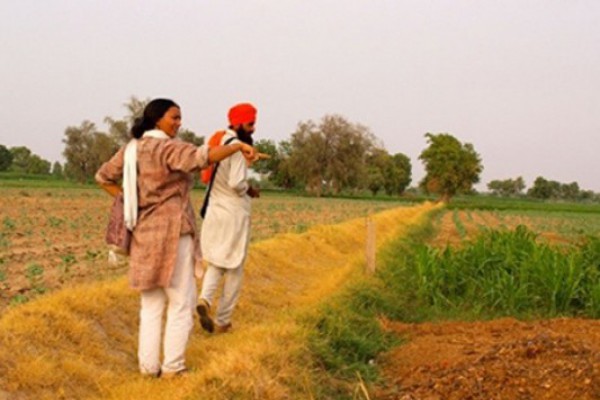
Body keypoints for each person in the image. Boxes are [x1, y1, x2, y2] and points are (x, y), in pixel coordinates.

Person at [95, 98, 256, 378]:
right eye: (175, 117)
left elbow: (103, 177)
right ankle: (174, 368)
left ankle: (148, 369)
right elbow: (202, 157)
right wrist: (236, 147)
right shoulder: (168, 148)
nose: (179, 123)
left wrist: (131, 200)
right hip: (173, 232)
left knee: (151, 304)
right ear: (157, 119)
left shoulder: (131, 149)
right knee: (181, 302)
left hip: (143, 234)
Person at [196, 102, 260, 334]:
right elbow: (236, 183)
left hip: (215, 211)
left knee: (217, 260)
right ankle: (223, 320)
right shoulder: (237, 148)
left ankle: (204, 299)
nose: (253, 128)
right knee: (235, 267)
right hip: (233, 214)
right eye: (251, 123)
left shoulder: (218, 142)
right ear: (239, 123)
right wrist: (249, 189)